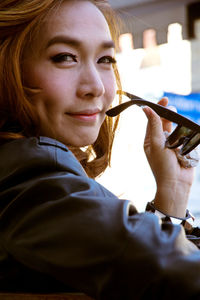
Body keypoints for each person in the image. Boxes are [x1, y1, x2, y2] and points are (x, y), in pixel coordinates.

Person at [0, 0, 200, 299]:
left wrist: (170, 192)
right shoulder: (27, 176)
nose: (95, 86)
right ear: (8, 68)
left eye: (105, 59)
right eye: (65, 57)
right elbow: (165, 270)